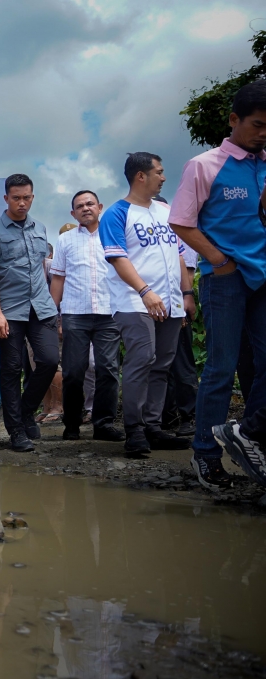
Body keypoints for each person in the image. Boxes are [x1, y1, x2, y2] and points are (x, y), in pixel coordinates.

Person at [170, 80, 266, 489]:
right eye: (258, 125)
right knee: (221, 369)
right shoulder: (205, 165)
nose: (264, 134)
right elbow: (181, 221)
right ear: (233, 120)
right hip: (225, 280)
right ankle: (205, 455)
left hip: (263, 277)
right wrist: (218, 261)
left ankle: (249, 436)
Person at [99, 152, 193, 458]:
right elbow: (117, 258)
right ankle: (135, 430)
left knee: (162, 363)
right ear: (141, 175)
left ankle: (153, 427)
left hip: (170, 302)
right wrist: (145, 291)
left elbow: (178, 254)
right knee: (143, 357)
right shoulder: (117, 213)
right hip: (134, 301)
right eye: (159, 172)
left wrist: (186, 293)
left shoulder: (166, 211)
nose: (164, 177)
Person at [0, 173, 59, 452]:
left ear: (32, 197)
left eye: (26, 198)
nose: (22, 203)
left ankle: (25, 411)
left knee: (49, 360)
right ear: (6, 198)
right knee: (11, 370)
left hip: (41, 307)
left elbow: (40, 267)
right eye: (16, 198)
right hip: (9, 311)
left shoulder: (40, 228)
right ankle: (15, 431)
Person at [49, 190, 123, 442]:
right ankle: (71, 424)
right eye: (79, 206)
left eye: (90, 203)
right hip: (74, 313)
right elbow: (58, 278)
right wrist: (54, 314)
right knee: (73, 371)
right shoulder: (66, 240)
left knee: (108, 369)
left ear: (100, 206)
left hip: (109, 312)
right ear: (73, 213)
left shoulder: (114, 234)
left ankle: (103, 424)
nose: (85, 208)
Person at [161, 196, 198, 438]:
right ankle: (166, 416)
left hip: (175, 306)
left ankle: (189, 416)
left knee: (182, 365)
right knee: (158, 367)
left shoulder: (180, 235)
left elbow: (188, 270)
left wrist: (184, 301)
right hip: (148, 309)